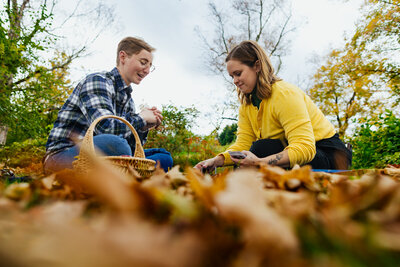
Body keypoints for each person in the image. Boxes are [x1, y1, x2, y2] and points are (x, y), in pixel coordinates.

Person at [195, 40, 351, 172]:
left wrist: (261, 163)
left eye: (238, 73)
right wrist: (217, 160)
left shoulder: (284, 94)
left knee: (262, 149)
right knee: (250, 153)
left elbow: (305, 148)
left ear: (257, 66)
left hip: (328, 154)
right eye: (232, 76)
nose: (235, 81)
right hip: (290, 149)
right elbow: (243, 144)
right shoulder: (247, 105)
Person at [44, 36, 173, 173]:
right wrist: (141, 118)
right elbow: (106, 129)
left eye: (150, 66)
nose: (147, 70)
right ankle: (128, 177)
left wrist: (142, 127)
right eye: (143, 62)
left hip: (106, 156)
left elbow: (131, 151)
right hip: (64, 155)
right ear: (123, 57)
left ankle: (123, 178)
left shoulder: (129, 101)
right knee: (116, 144)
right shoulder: (97, 81)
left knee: (164, 158)